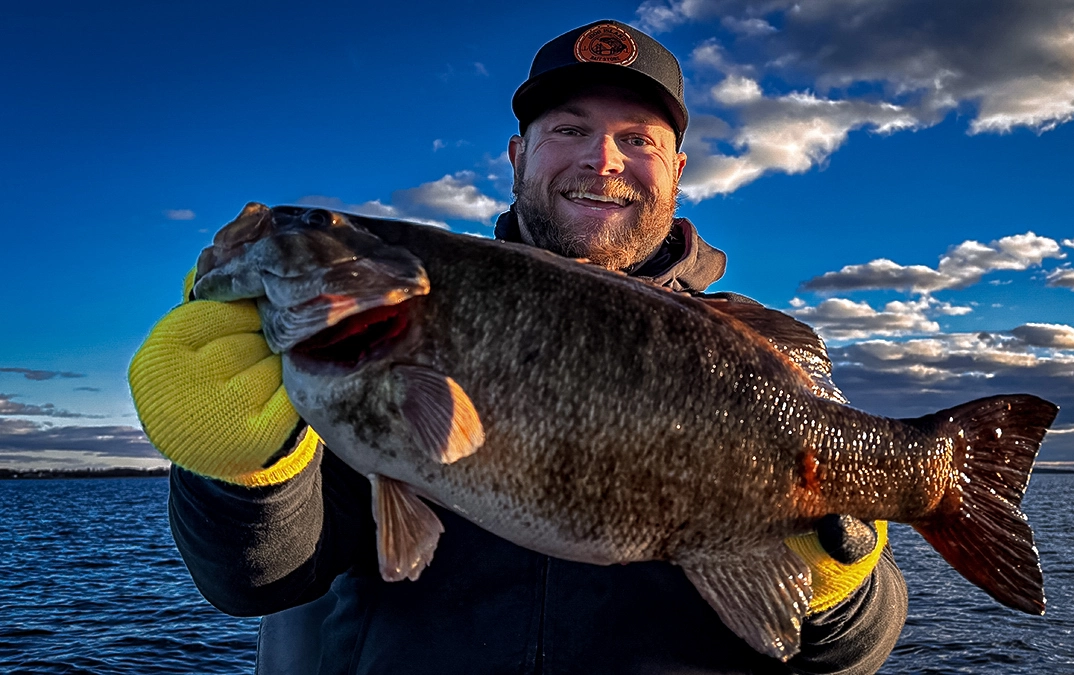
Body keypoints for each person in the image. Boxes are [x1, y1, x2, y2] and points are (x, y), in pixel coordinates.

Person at [129, 19, 907, 675]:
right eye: (568, 130)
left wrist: (841, 578)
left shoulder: (752, 352)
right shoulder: (367, 343)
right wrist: (238, 468)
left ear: (676, 171)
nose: (600, 159)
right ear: (516, 158)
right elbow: (254, 579)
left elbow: (852, 654)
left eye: (635, 138)